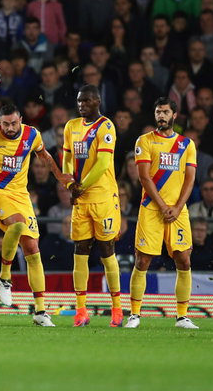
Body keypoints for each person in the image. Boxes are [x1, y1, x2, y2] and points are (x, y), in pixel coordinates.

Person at [0, 103, 73, 327]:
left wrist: (59, 175)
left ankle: (40, 311)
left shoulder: (32, 134)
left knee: (33, 250)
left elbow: (43, 155)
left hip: (21, 195)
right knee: (17, 224)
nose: (9, 127)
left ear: (21, 119)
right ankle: (5, 278)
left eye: (14, 123)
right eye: (5, 124)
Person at [126, 97, 198, 329]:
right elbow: (144, 177)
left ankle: (182, 316)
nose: (161, 116)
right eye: (158, 112)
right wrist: (163, 206)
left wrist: (176, 208)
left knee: (184, 259)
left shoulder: (187, 144)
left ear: (174, 115)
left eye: (166, 112)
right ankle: (135, 315)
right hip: (151, 209)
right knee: (143, 259)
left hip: (178, 211)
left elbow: (190, 179)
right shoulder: (144, 141)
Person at [62, 84, 123, 327]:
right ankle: (81, 311)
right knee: (80, 251)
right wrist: (69, 185)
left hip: (103, 198)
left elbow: (103, 162)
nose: (81, 105)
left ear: (97, 101)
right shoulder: (71, 126)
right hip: (81, 199)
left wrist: (81, 185)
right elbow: (67, 158)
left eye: (86, 101)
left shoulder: (106, 126)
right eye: (79, 101)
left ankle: (117, 310)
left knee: (107, 251)